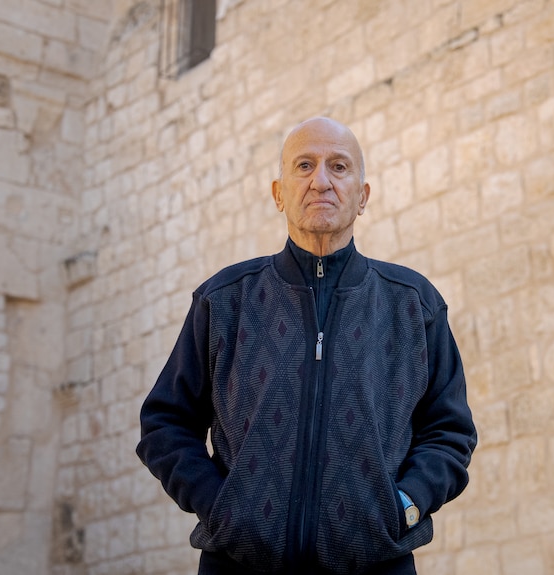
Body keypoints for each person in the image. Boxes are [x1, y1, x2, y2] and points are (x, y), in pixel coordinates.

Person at [136, 117, 477, 575]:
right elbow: (165, 422)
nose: (321, 181)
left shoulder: (413, 305)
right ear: (278, 194)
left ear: (363, 196)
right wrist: (222, 507)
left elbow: (449, 432)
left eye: (339, 167)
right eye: (304, 165)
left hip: (376, 564)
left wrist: (405, 507)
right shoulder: (224, 300)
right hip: (238, 564)